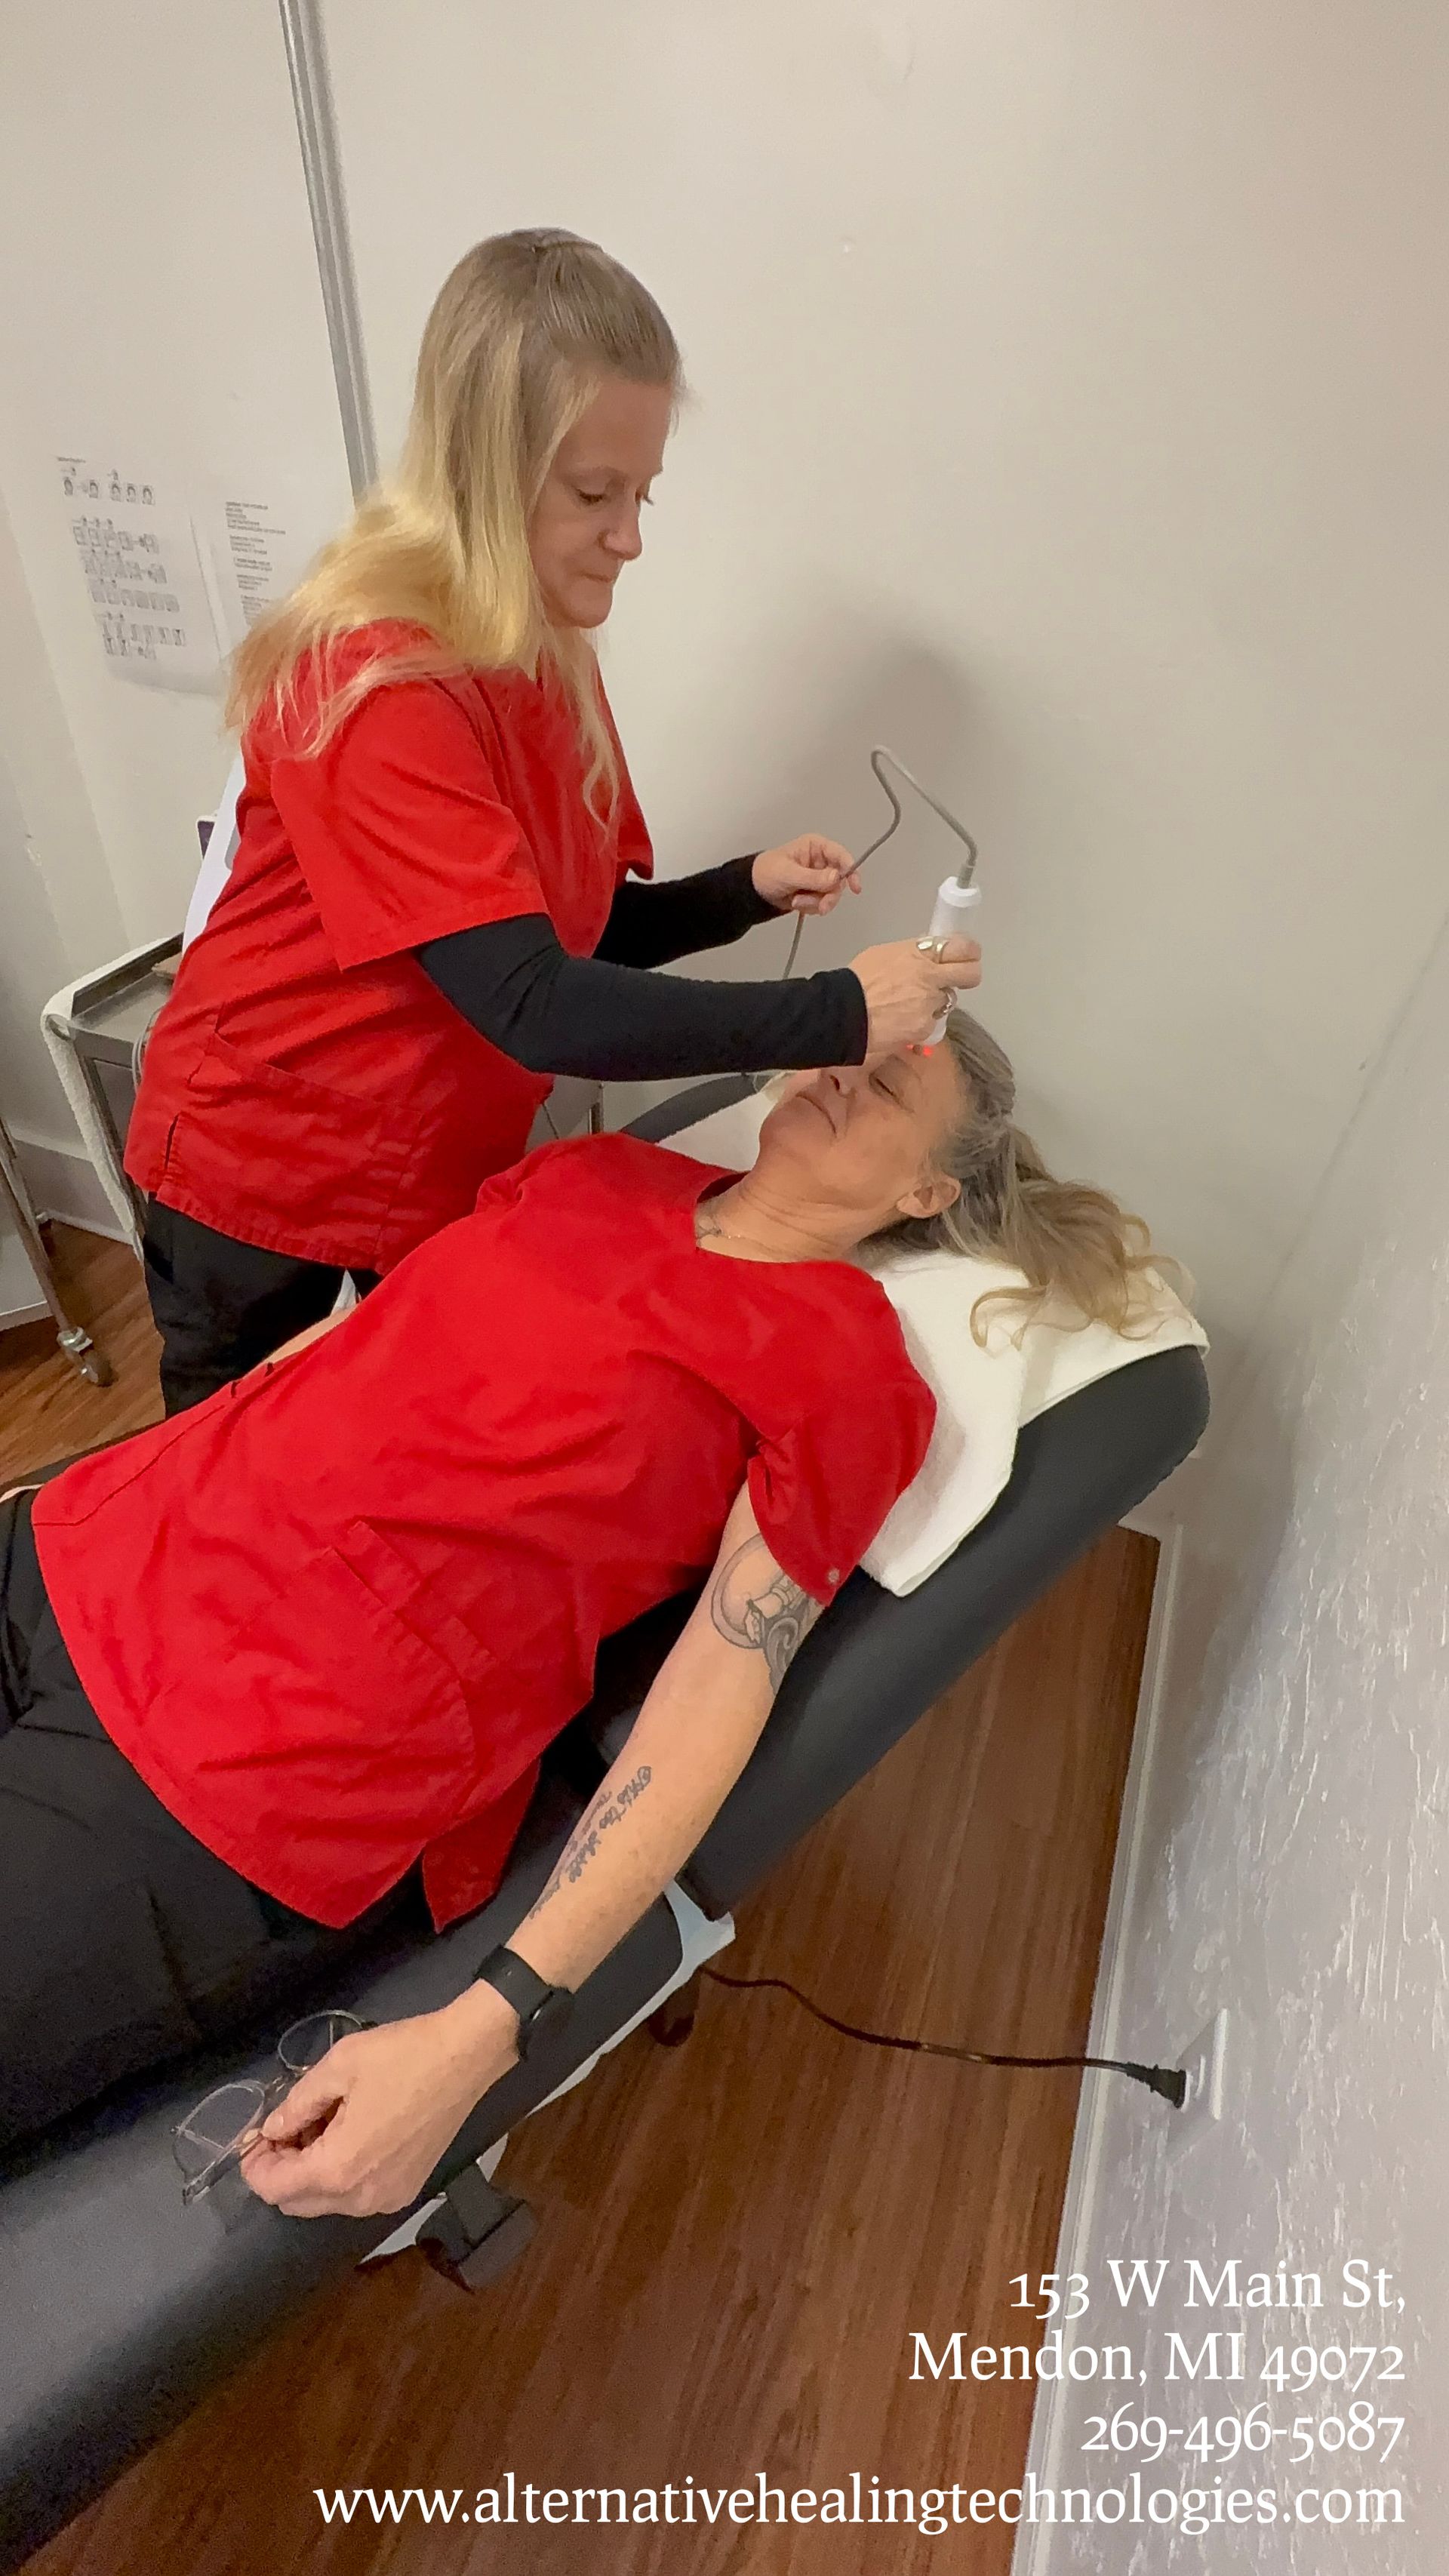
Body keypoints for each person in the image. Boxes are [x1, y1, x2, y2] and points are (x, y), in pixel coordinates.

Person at [1, 1015, 1161, 2214]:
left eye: (879, 1087)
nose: (832, 1073)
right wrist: (80, 1482)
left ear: (928, 1185)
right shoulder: (602, 1170)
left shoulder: (849, 1364)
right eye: (838, 1044)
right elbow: (357, 1339)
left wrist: (487, 2026)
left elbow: (724, 1676)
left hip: (225, 1757)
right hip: (76, 1541)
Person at [126, 227, 978, 1412]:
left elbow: (567, 930)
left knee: (389, 1429)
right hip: (265, 1164)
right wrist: (837, 1015)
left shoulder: (535, 651)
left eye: (642, 493)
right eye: (596, 495)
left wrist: (745, 889)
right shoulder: (374, 681)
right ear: (486, 469)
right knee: (225, 1483)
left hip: (420, 1161)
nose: (631, 536)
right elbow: (529, 997)